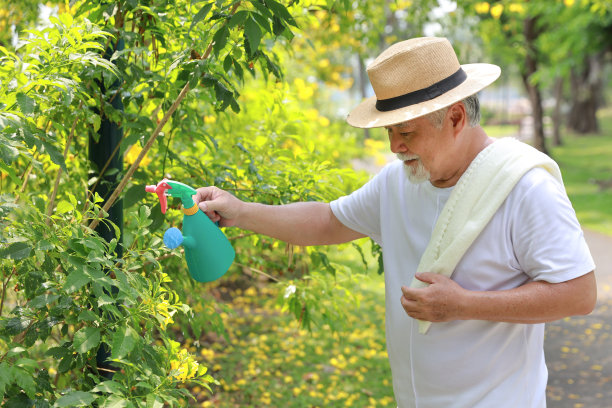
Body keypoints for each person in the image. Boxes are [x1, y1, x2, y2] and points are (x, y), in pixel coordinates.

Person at [194, 37, 597, 407]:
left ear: (456, 118)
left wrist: (464, 304)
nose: (394, 147)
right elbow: (327, 221)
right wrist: (240, 211)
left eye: (405, 131)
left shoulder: (525, 188)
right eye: (389, 131)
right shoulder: (398, 181)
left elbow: (579, 293)